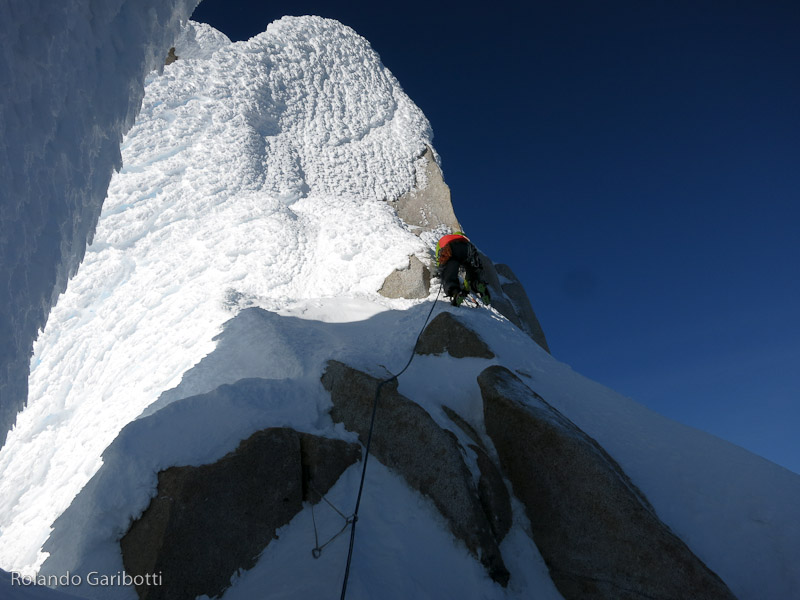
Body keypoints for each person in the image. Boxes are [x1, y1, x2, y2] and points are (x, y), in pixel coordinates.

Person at [435, 232, 491, 306]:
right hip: (468, 248)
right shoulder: (464, 239)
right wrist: (467, 288)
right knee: (472, 271)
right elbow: (474, 268)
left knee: (449, 272)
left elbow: (440, 260)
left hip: (450, 248)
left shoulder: (444, 240)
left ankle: (455, 292)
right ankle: (478, 284)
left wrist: (441, 271)